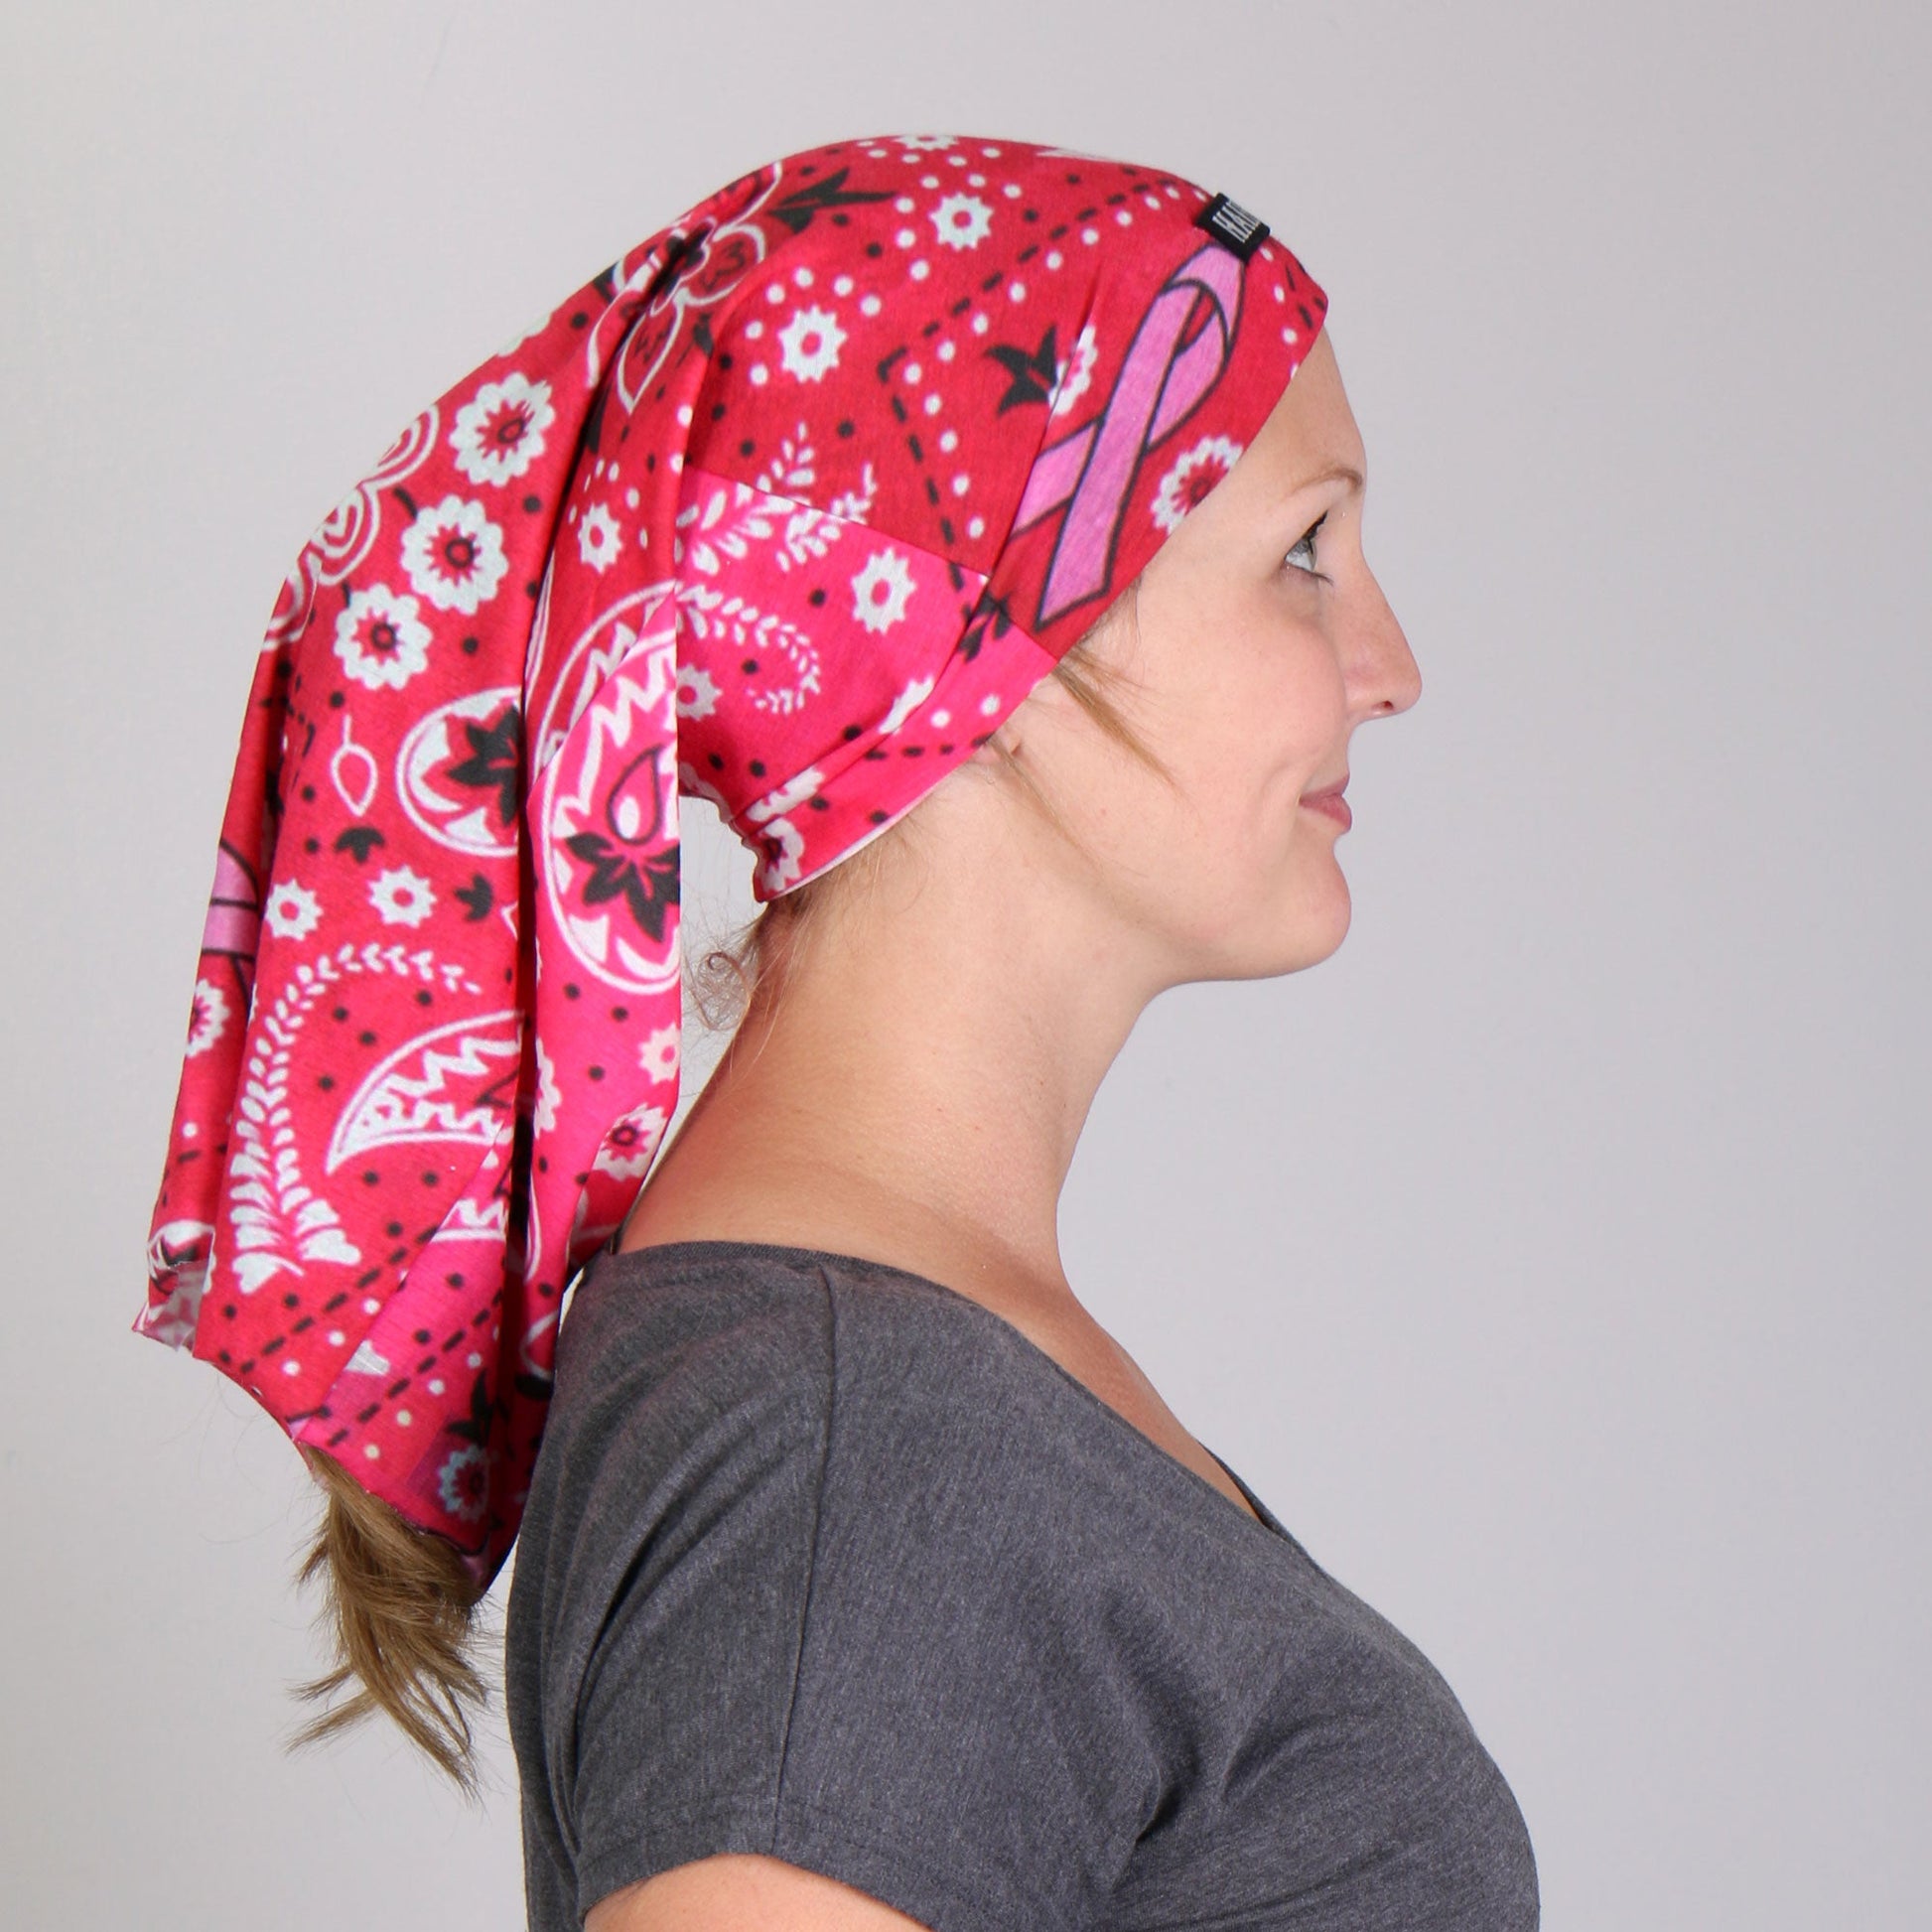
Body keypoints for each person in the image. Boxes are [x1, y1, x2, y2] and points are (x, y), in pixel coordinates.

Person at [137, 130, 1537, 1929]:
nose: (1391, 665)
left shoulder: (890, 1386)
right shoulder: (851, 1445)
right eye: (1305, 549)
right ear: (992, 638)